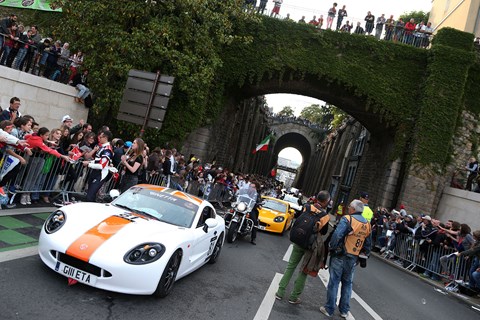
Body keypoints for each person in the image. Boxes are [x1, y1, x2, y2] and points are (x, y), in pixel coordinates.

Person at [275, 190, 331, 304]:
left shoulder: (306, 207)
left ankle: (280, 292)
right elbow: (323, 232)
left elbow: (299, 220)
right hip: (310, 246)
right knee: (304, 271)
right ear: (325, 202)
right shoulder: (325, 217)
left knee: (290, 266)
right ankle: (294, 297)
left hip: (298, 240)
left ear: (316, 198)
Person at [320, 199, 372, 318]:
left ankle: (329, 308)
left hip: (341, 255)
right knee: (347, 283)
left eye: (349, 207)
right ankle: (344, 310)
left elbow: (337, 235)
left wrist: (332, 248)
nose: (348, 208)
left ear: (353, 209)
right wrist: (363, 256)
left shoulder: (348, 219)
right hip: (353, 258)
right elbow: (368, 244)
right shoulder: (367, 224)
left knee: (334, 282)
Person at [83, 130, 114, 202]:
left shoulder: (107, 150)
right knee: (89, 194)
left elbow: (101, 165)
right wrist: (90, 162)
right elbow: (97, 160)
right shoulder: (101, 147)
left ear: (105, 138)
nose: (98, 138)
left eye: (100, 137)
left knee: (90, 195)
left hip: (100, 174)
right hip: (94, 172)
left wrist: (89, 164)